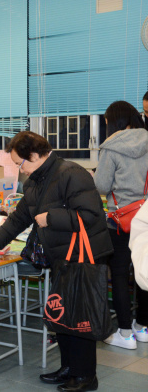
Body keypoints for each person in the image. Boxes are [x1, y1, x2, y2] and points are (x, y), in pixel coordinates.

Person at [0, 131, 113, 392]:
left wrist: (51, 217)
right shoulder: (35, 180)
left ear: (34, 155)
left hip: (83, 255)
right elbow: (20, 217)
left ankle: (85, 376)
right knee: (62, 313)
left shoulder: (71, 173)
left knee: (80, 317)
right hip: (61, 256)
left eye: (20, 163)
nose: (20, 170)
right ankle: (68, 368)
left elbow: (91, 214)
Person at [93, 101, 148, 349]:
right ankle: (143, 327)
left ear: (113, 121)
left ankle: (125, 334)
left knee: (119, 274)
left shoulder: (111, 147)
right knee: (144, 271)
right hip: (146, 216)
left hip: (120, 220)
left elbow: (102, 185)